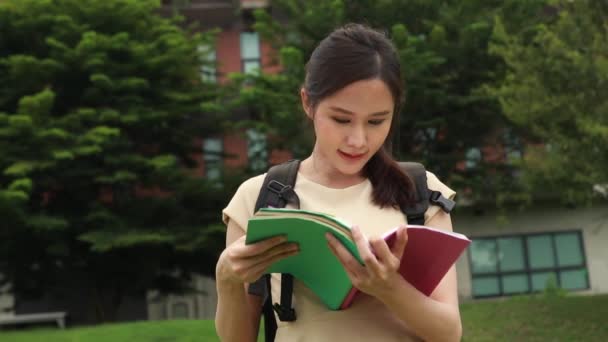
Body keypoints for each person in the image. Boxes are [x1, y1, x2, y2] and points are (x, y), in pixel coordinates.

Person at [215, 23, 462, 342]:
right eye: (341, 119)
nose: (358, 140)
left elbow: (449, 334)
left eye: (376, 121)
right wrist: (227, 281)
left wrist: (388, 288)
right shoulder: (260, 198)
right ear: (308, 103)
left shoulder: (420, 191)